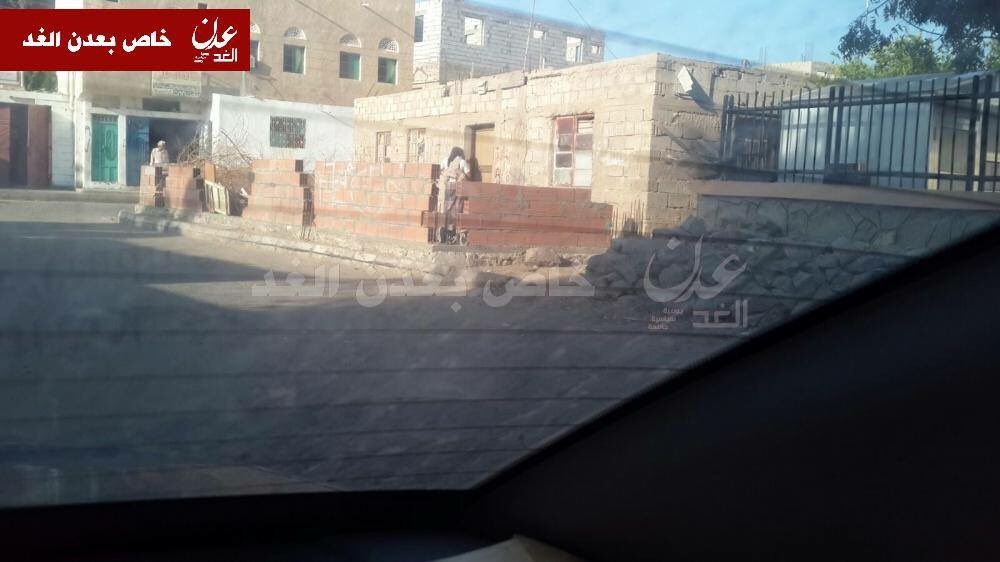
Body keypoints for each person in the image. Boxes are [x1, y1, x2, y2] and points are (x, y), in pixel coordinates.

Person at [437, 147, 471, 243]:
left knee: (447, 209)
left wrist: (447, 175)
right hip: (457, 187)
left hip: (448, 187)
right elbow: (469, 175)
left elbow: (439, 170)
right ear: (460, 154)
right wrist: (462, 174)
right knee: (458, 209)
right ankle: (455, 233)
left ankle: (444, 230)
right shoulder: (462, 162)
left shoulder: (445, 160)